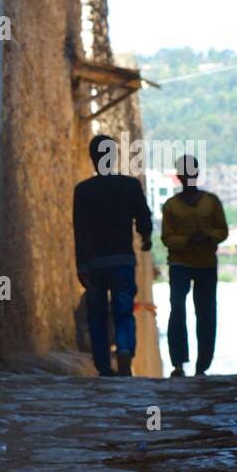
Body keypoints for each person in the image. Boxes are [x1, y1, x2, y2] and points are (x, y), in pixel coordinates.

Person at [73, 133, 154, 376]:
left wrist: (81, 265)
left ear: (93, 159)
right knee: (123, 310)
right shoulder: (129, 186)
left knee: (97, 315)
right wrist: (146, 237)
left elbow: (79, 229)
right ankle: (125, 348)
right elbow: (143, 216)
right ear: (114, 157)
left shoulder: (84, 191)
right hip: (122, 260)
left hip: (95, 264)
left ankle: (103, 365)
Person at [161, 155, 228, 377]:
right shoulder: (171, 206)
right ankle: (178, 362)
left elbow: (222, 230)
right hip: (180, 263)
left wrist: (208, 237)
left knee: (206, 312)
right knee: (177, 309)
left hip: (206, 264)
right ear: (179, 176)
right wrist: (188, 241)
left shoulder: (212, 201)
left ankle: (203, 364)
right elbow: (166, 237)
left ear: (196, 174)